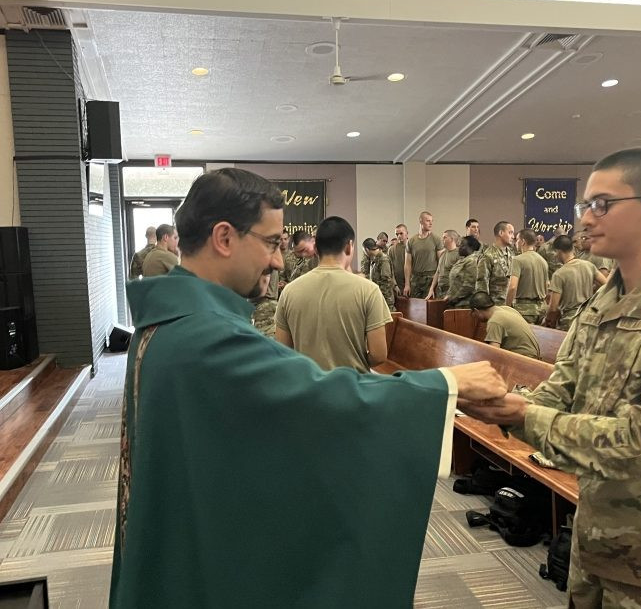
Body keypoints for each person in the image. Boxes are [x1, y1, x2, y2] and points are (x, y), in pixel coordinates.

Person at [111, 168, 506, 609]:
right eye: (271, 242)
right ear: (224, 238)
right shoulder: (203, 337)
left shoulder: (166, 323)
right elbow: (318, 395)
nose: (279, 260)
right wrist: (447, 382)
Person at [460, 147, 641, 607]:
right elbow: (560, 391)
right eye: (585, 206)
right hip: (594, 543)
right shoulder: (604, 302)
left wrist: (521, 415)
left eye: (603, 205)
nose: (587, 219)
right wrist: (493, 400)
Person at [276, 217, 391, 373]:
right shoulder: (369, 291)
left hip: (308, 387)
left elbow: (283, 351)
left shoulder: (289, 292)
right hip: (353, 387)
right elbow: (379, 355)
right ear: (349, 247)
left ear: (316, 248)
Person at [543, 235, 604, 329]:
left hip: (569, 322)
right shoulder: (589, 266)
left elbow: (553, 308)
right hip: (587, 319)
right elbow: (606, 284)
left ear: (558, 251)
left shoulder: (559, 274)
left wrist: (547, 321)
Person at [469, 291, 540, 359]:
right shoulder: (507, 309)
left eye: (473, 313)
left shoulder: (494, 321)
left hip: (525, 360)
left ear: (476, 311)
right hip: (533, 356)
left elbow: (494, 353)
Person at [506, 229, 549, 323]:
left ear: (523, 242)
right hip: (541, 309)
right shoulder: (543, 261)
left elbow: (512, 287)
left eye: (517, 240)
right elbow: (547, 286)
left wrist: (507, 307)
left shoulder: (517, 260)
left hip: (524, 310)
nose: (516, 242)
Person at [403, 211, 442, 298]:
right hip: (416, 279)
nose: (431, 223)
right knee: (415, 307)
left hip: (431, 278)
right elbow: (407, 264)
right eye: (428, 221)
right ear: (421, 221)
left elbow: (441, 263)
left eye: (432, 221)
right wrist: (407, 284)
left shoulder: (436, 239)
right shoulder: (412, 241)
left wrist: (436, 282)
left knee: (429, 307)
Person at [475, 221, 515, 305]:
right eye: (510, 233)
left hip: (511, 304)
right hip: (495, 304)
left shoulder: (512, 254)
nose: (513, 237)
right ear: (501, 233)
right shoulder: (488, 255)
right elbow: (482, 283)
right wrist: (486, 306)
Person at [446, 236, 480, 308]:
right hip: (455, 302)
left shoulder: (472, 261)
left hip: (465, 304)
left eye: (462, 245)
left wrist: (455, 298)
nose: (459, 247)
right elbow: (455, 281)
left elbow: (469, 284)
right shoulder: (462, 260)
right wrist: (449, 295)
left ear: (470, 247)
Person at [362, 237, 395, 311]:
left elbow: (386, 282)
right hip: (378, 299)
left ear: (366, 249)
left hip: (385, 301)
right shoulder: (374, 259)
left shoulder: (383, 259)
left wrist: (380, 298)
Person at [426, 230, 460, 300]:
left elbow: (460, 276)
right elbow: (438, 272)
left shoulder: (459, 254)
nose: (442, 239)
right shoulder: (443, 254)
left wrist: (451, 293)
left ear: (452, 239)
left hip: (451, 291)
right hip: (440, 290)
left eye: (445, 237)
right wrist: (431, 288)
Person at [249, 271, 279, 338]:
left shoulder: (264, 262)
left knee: (264, 338)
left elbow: (261, 288)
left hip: (264, 306)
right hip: (265, 304)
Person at [388, 224, 408, 294]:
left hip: (412, 283)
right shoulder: (391, 249)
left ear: (407, 233)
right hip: (398, 284)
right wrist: (395, 284)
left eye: (401, 233)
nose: (399, 236)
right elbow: (390, 269)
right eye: (397, 234)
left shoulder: (413, 247)